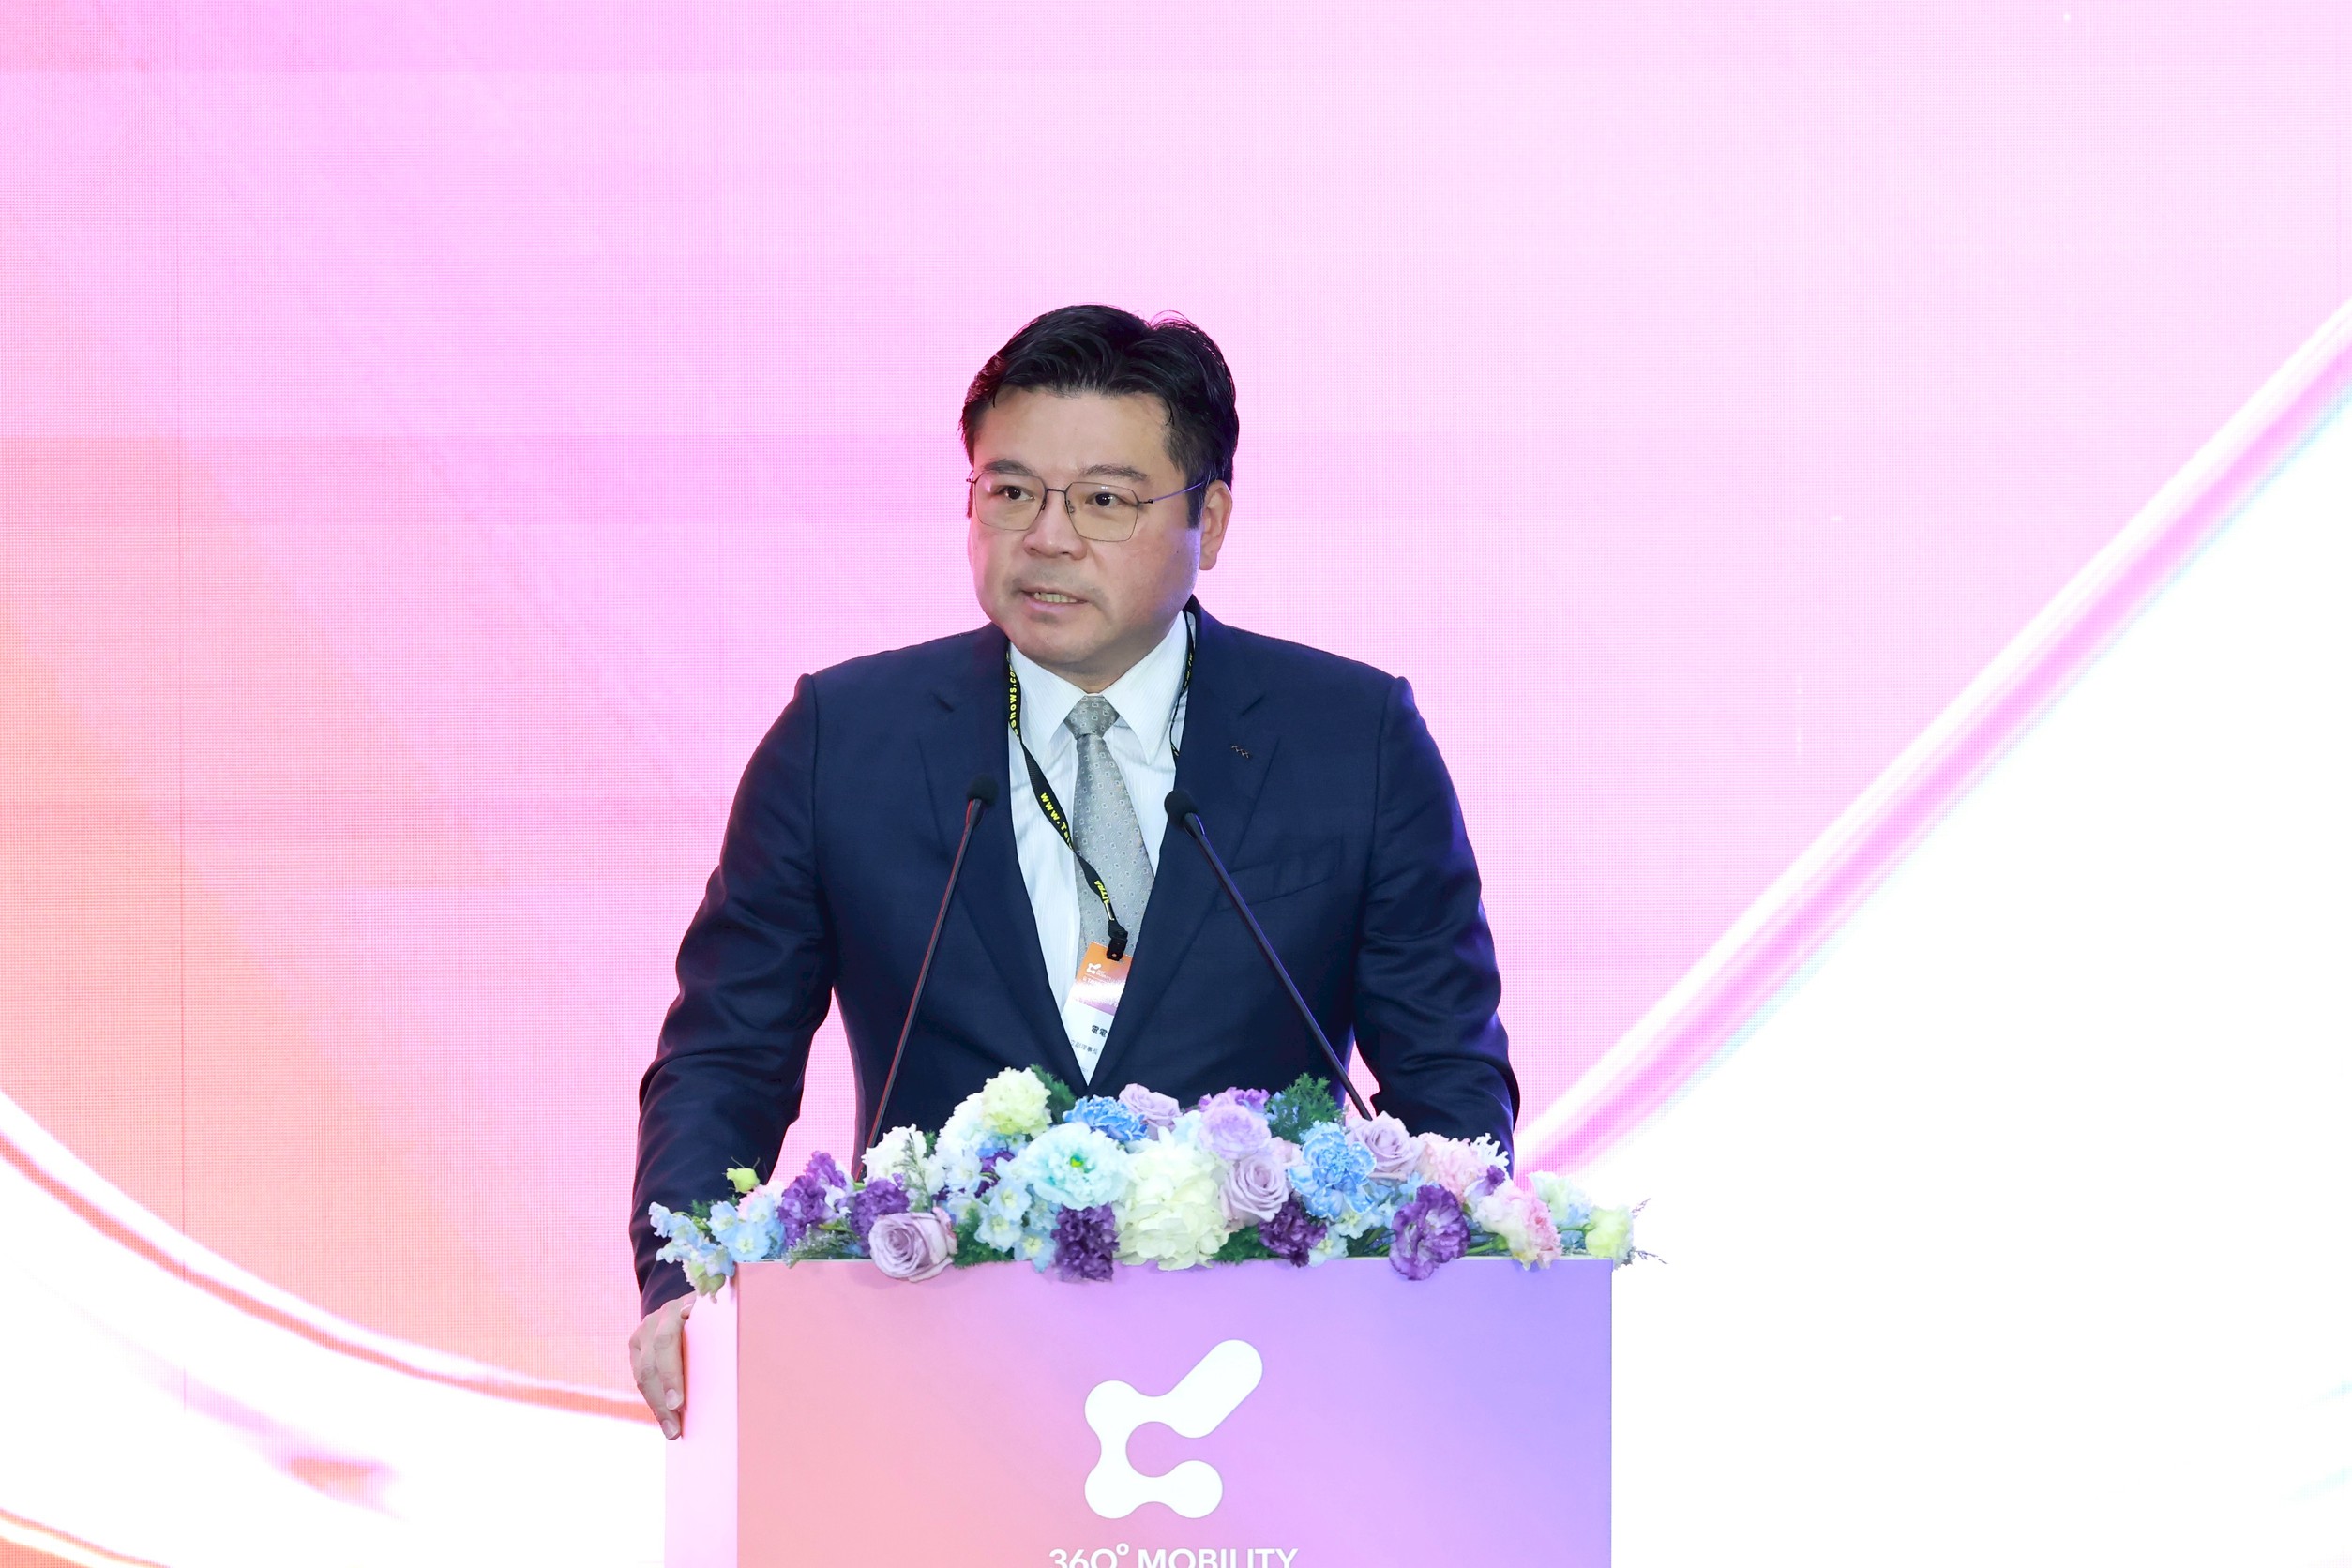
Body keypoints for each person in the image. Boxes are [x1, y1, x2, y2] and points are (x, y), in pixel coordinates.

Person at [627, 305, 1517, 1435]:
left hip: (1267, 1397)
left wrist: (1453, 1279)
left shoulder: (1352, 739)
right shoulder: (844, 739)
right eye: (1010, 491)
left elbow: (1446, 1075)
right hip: (925, 1387)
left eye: (1103, 500)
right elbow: (726, 1054)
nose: (1046, 536)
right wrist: (687, 1283)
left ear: (1210, 520)